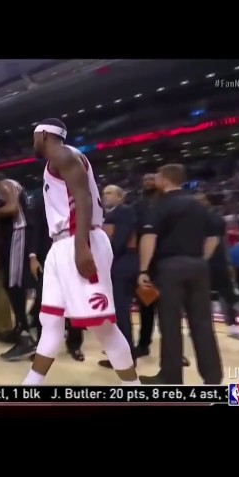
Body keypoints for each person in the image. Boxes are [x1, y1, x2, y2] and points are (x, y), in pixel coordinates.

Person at [22, 118, 139, 386]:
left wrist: (81, 245)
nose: (32, 141)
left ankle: (134, 390)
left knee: (103, 326)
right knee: (49, 322)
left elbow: (83, 198)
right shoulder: (57, 160)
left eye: (34, 136)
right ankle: (30, 386)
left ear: (43, 134)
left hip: (79, 239)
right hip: (61, 244)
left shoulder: (64, 154)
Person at [138, 164, 223, 385]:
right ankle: (213, 377)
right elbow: (214, 237)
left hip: (170, 268)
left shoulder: (160, 204)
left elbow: (149, 238)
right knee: (203, 323)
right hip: (198, 267)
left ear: (165, 180)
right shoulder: (198, 205)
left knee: (170, 323)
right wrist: (200, 260)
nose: (154, 178)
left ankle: (171, 376)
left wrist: (144, 269)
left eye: (156, 175)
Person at [28, 189, 85, 361]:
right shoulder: (43, 197)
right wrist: (32, 256)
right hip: (49, 257)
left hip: (76, 256)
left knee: (75, 304)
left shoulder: (84, 195)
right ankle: (43, 346)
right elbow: (35, 228)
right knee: (42, 302)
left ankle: (74, 345)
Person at [195, 193, 239, 342]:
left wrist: (228, 262)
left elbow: (223, 242)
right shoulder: (190, 220)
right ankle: (198, 327)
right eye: (197, 201)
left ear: (208, 202)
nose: (200, 203)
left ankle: (233, 326)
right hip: (197, 261)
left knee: (227, 293)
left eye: (202, 200)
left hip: (216, 261)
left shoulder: (215, 218)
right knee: (198, 295)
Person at [0, 175, 37, 361]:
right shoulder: (13, 186)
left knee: (14, 283)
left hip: (19, 231)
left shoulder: (6, 184)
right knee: (10, 283)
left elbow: (12, 208)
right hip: (16, 233)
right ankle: (20, 327)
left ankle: (26, 336)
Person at [99, 185, 139, 369]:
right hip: (119, 265)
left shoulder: (124, 211)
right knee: (118, 313)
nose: (104, 196)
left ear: (120, 196)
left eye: (109, 193)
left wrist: (105, 259)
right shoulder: (114, 213)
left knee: (121, 313)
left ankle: (126, 357)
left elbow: (120, 240)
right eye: (104, 193)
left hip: (122, 266)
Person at [132, 174, 158, 357]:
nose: (148, 182)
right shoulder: (136, 206)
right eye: (145, 180)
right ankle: (143, 344)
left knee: (169, 309)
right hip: (143, 261)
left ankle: (174, 350)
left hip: (165, 259)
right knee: (146, 304)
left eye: (151, 180)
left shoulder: (166, 203)